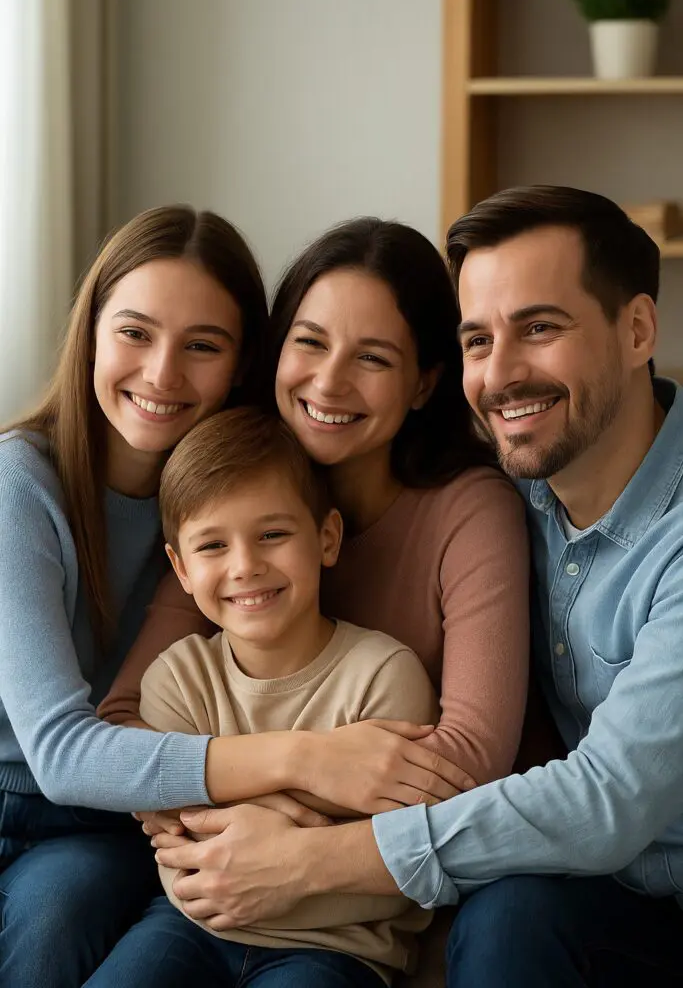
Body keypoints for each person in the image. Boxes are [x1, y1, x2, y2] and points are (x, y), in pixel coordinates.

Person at [145, 188, 683, 988]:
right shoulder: (523, 486)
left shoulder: (512, 512)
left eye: (539, 327)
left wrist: (309, 859)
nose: (499, 374)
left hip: (646, 884)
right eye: (477, 339)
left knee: (508, 919)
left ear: (637, 329)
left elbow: (604, 800)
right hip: (574, 886)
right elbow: (122, 721)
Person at [98, 218, 531, 977]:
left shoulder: (468, 508)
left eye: (372, 358)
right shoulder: (235, 497)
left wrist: (295, 856)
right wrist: (271, 796)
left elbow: (463, 763)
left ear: (425, 381)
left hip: (377, 906)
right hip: (211, 897)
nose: (329, 383)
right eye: (309, 342)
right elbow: (123, 727)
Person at [0, 204, 272, 988]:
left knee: (63, 914)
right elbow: (56, 754)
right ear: (90, 330)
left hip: (96, 825)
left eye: (202, 347)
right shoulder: (21, 483)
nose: (161, 374)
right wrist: (312, 761)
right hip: (38, 786)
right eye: (135, 333)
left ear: (239, 365)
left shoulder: (235, 521)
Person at [86, 405, 441, 988]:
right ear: (178, 567)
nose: (246, 566)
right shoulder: (175, 679)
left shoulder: (384, 676)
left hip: (339, 951)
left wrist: (228, 815)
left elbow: (400, 862)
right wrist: (303, 813)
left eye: (272, 534)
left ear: (327, 537)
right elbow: (178, 854)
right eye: (212, 546)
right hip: (192, 925)